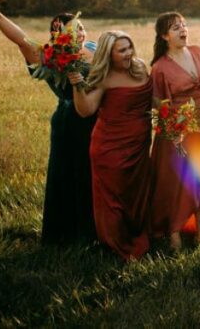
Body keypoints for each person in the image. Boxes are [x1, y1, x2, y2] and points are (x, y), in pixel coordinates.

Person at [0, 0, 96, 244]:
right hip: (68, 124)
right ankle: (65, 235)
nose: (81, 32)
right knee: (66, 174)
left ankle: (96, 231)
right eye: (73, 29)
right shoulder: (50, 56)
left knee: (93, 176)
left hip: (97, 120)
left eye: (81, 27)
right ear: (58, 32)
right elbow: (22, 39)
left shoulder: (94, 49)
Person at [148, 12, 200, 250]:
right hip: (179, 128)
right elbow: (156, 102)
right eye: (175, 27)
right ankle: (174, 230)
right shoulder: (160, 67)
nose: (182, 29)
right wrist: (172, 129)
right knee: (181, 179)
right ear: (164, 36)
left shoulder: (199, 51)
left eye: (183, 25)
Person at [68, 31, 153, 260]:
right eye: (121, 50)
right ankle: (118, 246)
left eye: (129, 47)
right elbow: (86, 110)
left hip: (140, 146)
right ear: (109, 54)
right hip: (110, 147)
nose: (128, 53)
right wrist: (77, 86)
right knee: (115, 198)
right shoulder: (104, 78)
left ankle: (139, 235)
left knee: (137, 193)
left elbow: (154, 100)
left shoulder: (141, 68)